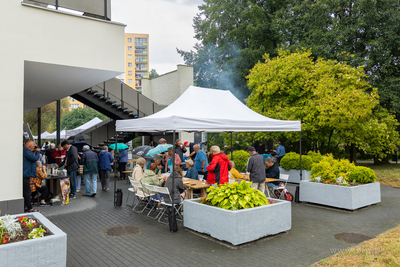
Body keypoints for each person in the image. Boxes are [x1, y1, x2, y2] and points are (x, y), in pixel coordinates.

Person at [23, 140, 41, 212]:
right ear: (30, 146)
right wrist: (37, 151)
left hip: (25, 173)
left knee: (25, 191)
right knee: (28, 191)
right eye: (33, 146)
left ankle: (25, 206)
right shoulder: (26, 151)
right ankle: (30, 208)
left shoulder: (24, 150)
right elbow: (35, 158)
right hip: (25, 173)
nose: (33, 148)